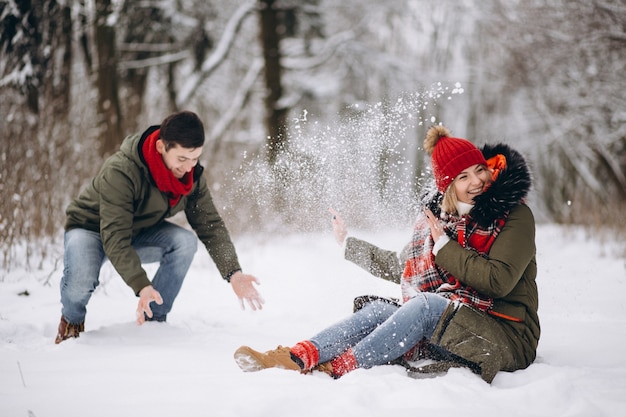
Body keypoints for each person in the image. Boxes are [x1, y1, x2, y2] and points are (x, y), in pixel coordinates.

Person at [233, 125, 539, 383]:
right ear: (448, 187)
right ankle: (297, 355)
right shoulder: (440, 222)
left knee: (425, 307)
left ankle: (341, 368)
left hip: (506, 336)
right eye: (463, 177)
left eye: (479, 169)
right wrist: (348, 242)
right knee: (381, 311)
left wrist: (445, 246)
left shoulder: (514, 216)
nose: (477, 181)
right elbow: (401, 265)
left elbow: (498, 281)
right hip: (458, 323)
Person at [55, 111, 264, 344]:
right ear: (161, 146)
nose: (188, 167)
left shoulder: (190, 177)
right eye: (182, 159)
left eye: (194, 158)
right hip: (90, 229)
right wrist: (141, 285)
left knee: (184, 243)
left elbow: (210, 225)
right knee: (80, 282)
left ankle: (153, 323)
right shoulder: (121, 171)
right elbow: (114, 237)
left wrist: (233, 272)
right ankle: (71, 324)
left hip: (138, 231)